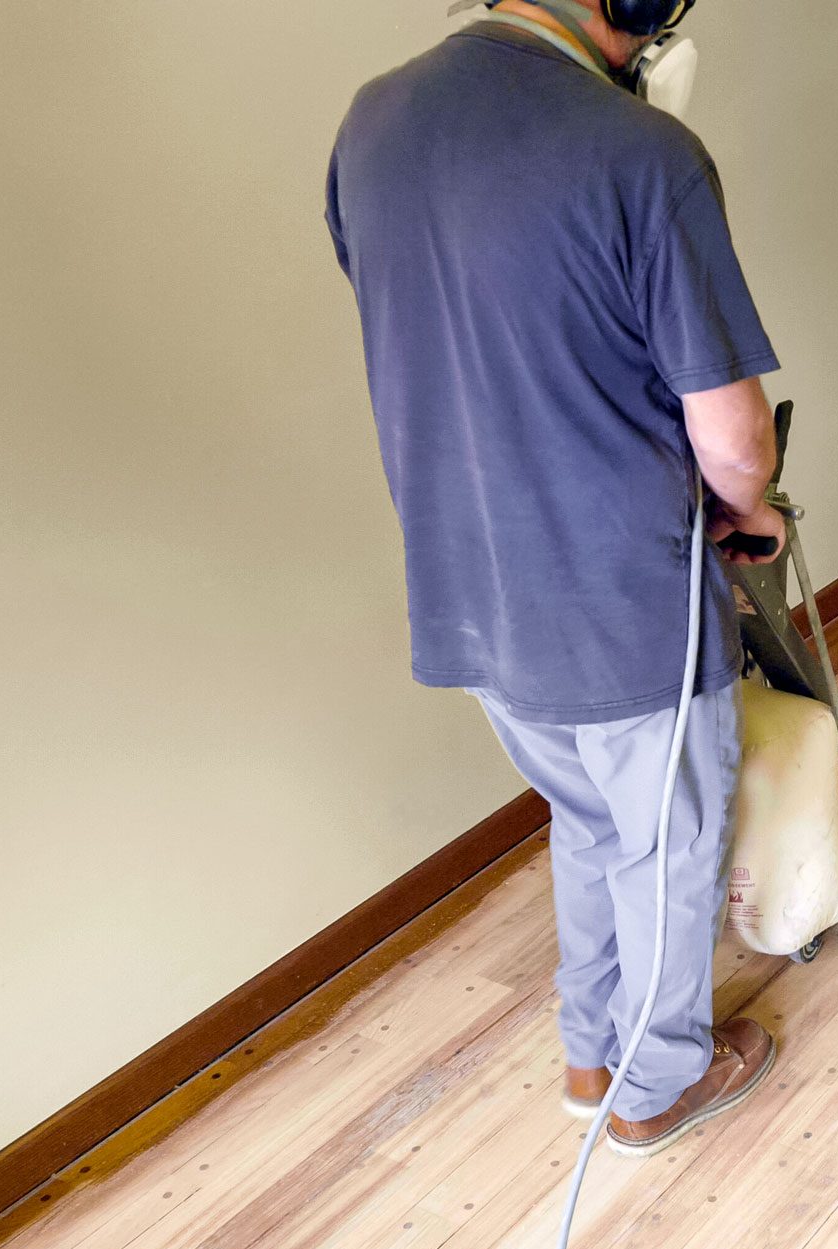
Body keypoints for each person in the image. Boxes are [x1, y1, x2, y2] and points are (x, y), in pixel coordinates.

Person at [325, 0, 781, 1157]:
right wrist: (747, 510)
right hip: (621, 601)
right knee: (669, 848)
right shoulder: (645, 155)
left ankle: (592, 1056)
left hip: (471, 589)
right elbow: (733, 442)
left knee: (585, 826)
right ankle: (658, 1084)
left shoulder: (371, 122)